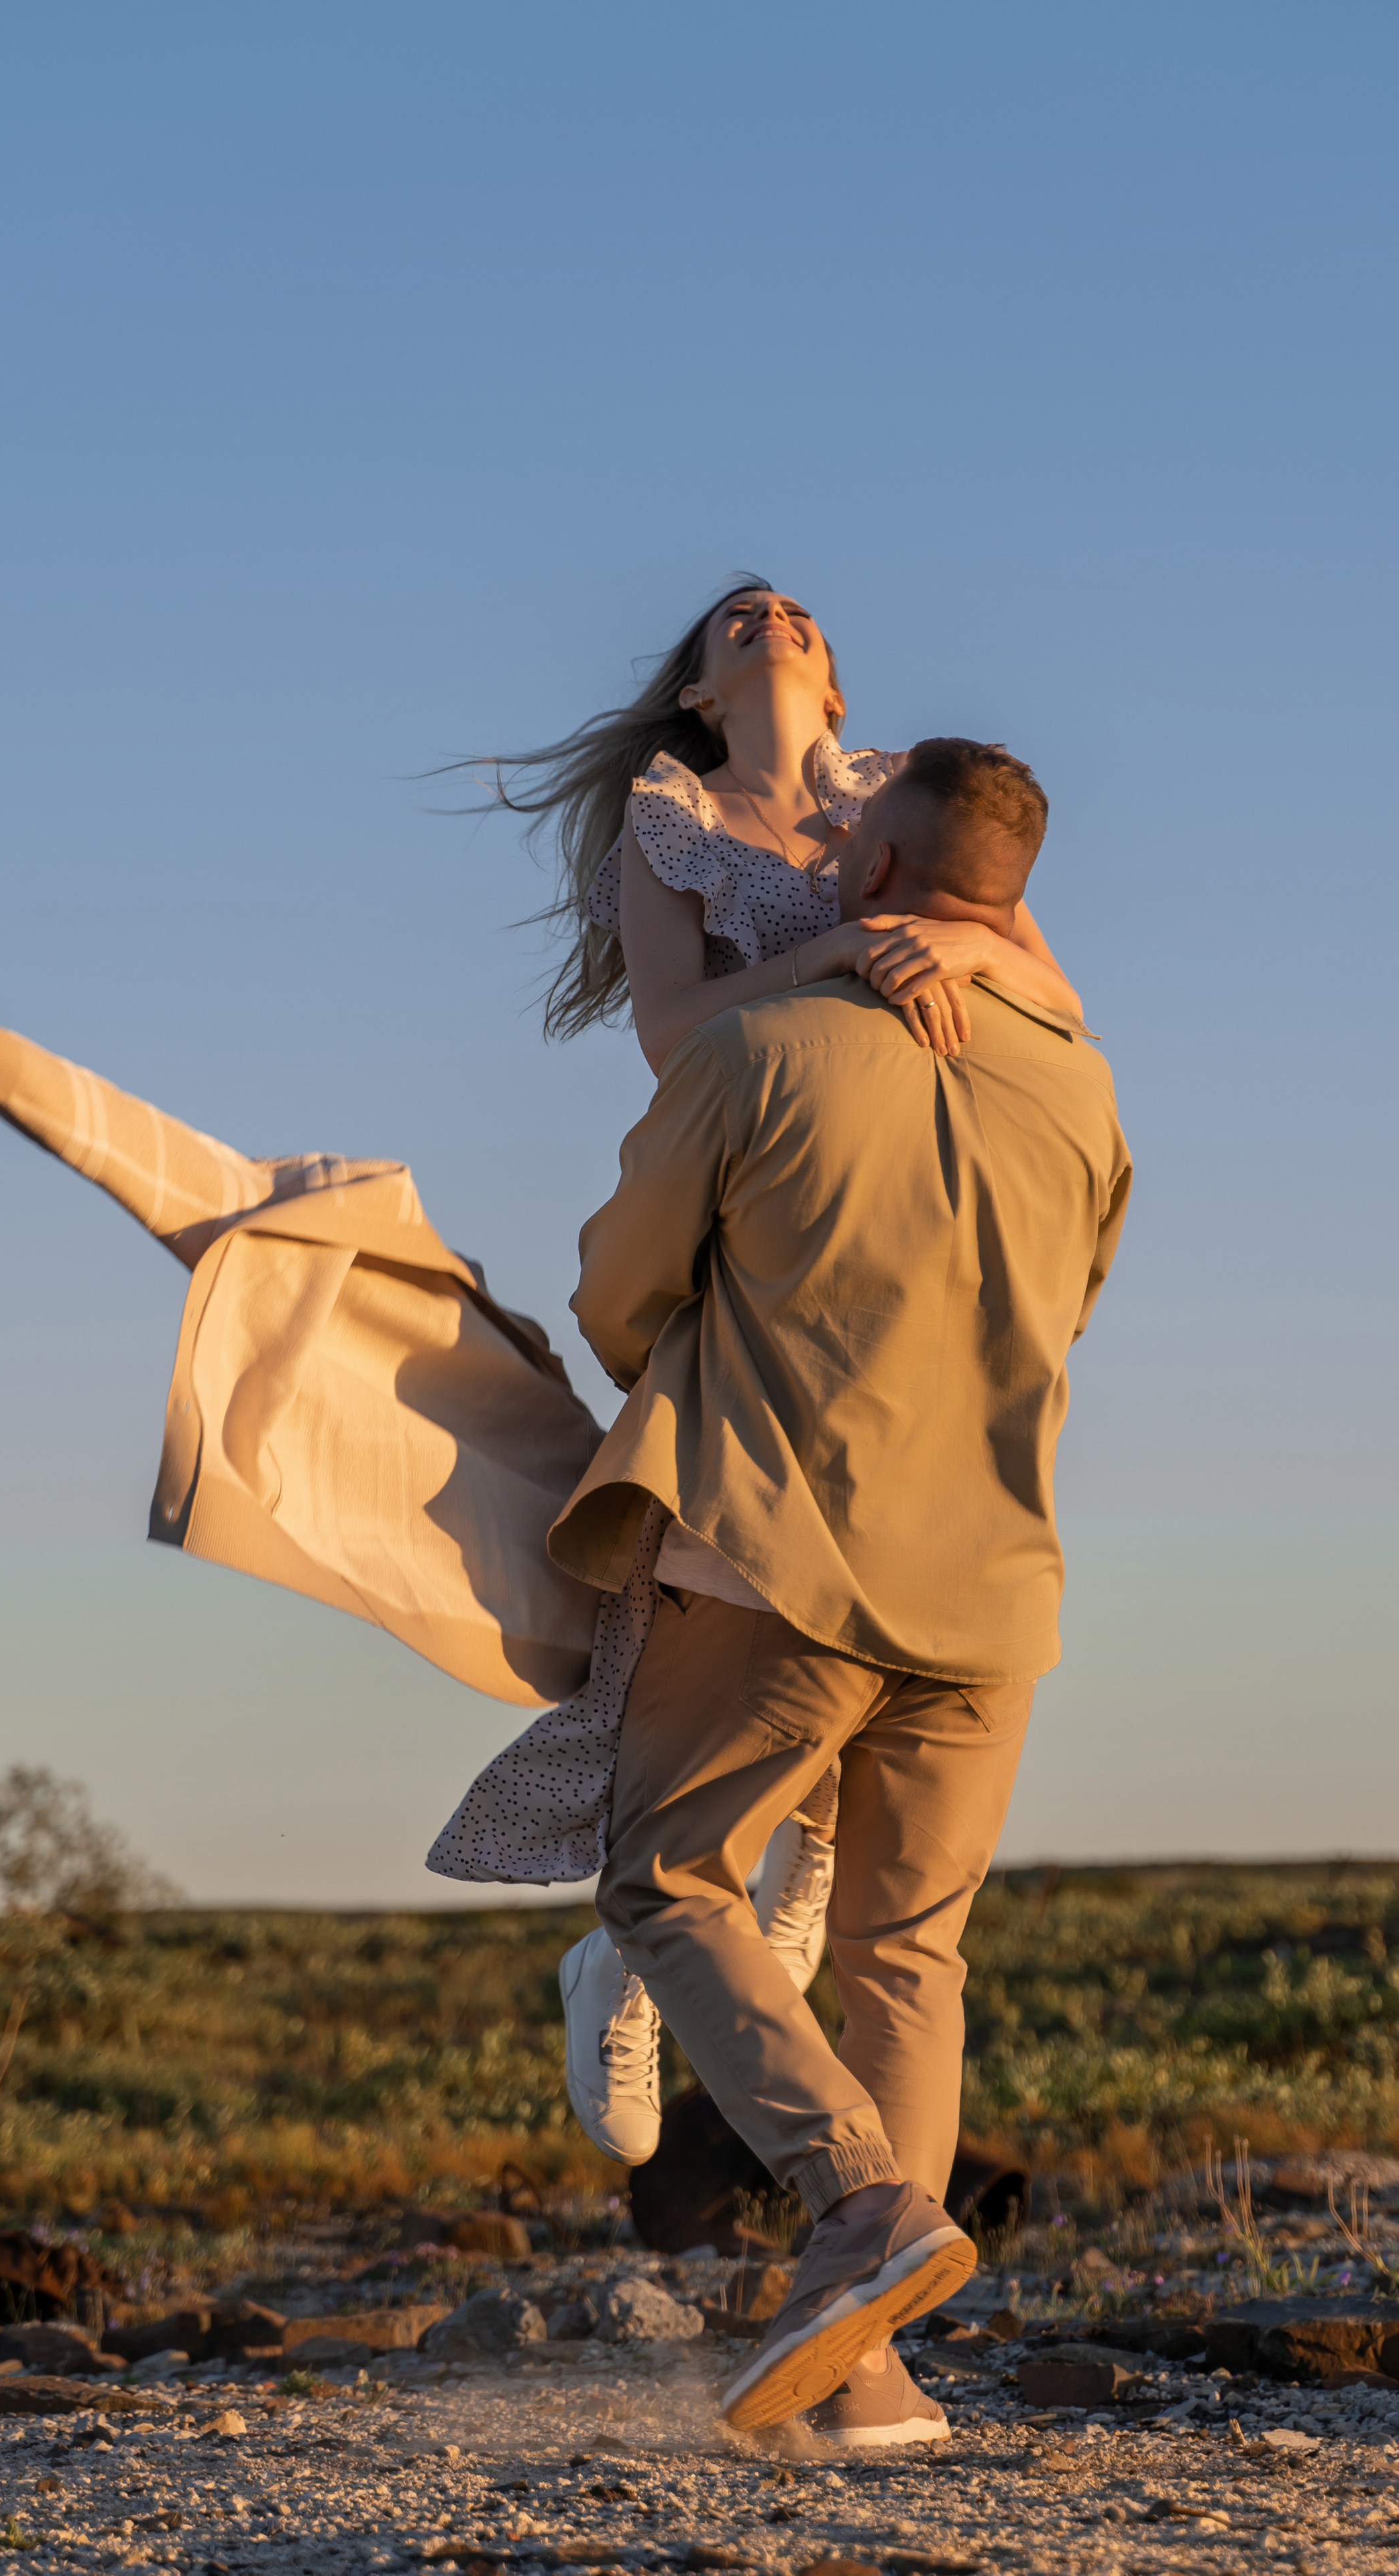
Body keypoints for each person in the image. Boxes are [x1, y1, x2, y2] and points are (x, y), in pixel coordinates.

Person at [427, 581, 1085, 2172]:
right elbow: (672, 1036)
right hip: (766, 1205)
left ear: (839, 686)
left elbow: (1052, 1003)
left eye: (794, 612)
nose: (770, 617)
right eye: (736, 620)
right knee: (737, 1625)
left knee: (889, 1615)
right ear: (701, 696)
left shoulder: (904, 803)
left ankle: (749, 1977)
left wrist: (939, 939)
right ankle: (638, 1956)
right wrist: (859, 954)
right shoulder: (672, 824)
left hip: (917, 1243)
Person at [547, 737, 1130, 2438]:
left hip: (777, 1563)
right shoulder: (1083, 1088)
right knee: (904, 1956)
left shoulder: (755, 1044)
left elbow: (615, 1292)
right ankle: (866, 2373)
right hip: (996, 1588)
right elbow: (1069, 1298)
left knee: (665, 1879)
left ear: (867, 874)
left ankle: (860, 2212)